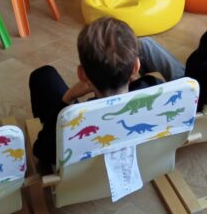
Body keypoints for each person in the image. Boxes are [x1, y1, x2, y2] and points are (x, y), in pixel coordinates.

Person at [29, 17, 161, 170]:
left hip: (82, 173)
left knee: (43, 75)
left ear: (82, 75)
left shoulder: (70, 118)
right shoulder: (155, 88)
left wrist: (67, 98)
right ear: (136, 67)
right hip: (147, 161)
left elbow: (41, 151)